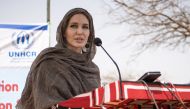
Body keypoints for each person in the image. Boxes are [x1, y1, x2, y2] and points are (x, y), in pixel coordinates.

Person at [16, 8, 101, 109]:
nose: (80, 31)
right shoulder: (49, 62)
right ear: (64, 32)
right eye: (73, 26)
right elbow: (45, 104)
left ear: (90, 34)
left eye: (85, 27)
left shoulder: (92, 70)